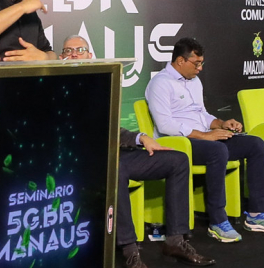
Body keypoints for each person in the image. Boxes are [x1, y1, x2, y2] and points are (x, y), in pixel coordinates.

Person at [61, 35, 215, 267]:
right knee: (116, 169)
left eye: (80, 50)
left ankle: (175, 241)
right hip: (84, 158)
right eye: (68, 50)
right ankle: (130, 250)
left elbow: (112, 127)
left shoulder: (100, 85)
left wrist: (141, 138)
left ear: (90, 55)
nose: (74, 54)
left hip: (117, 151)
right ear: (60, 56)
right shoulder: (58, 88)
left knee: (178, 160)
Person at [145, 37, 264, 242]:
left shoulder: (194, 81)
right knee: (218, 150)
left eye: (201, 63)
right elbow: (165, 125)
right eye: (196, 63)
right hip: (178, 142)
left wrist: (221, 124)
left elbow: (203, 115)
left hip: (204, 137)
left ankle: (256, 214)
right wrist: (205, 136)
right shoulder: (160, 83)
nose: (200, 68)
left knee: (255, 144)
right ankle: (217, 221)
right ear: (180, 61)